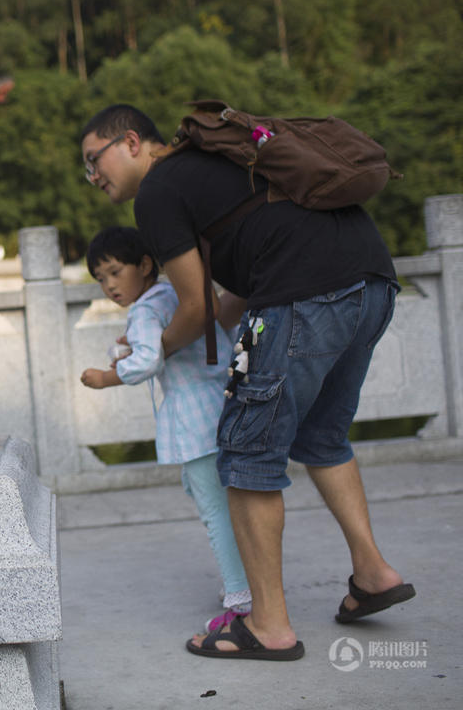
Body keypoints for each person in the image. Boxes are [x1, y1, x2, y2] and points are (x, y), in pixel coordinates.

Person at [79, 103, 415, 661]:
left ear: (132, 142)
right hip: (372, 281)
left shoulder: (158, 190)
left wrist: (148, 352)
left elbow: (193, 308)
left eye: (95, 161)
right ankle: (373, 573)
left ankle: (268, 625)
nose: (93, 177)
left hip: (304, 293)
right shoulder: (213, 162)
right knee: (323, 437)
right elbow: (230, 297)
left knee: (242, 453)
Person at [79, 226, 252, 634]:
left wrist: (108, 376)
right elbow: (162, 346)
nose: (109, 286)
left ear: (144, 266)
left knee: (214, 512)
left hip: (193, 420)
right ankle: (248, 584)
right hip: (222, 406)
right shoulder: (178, 295)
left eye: (115, 272)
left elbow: (146, 362)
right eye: (101, 278)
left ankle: (241, 598)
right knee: (227, 501)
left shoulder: (143, 310)